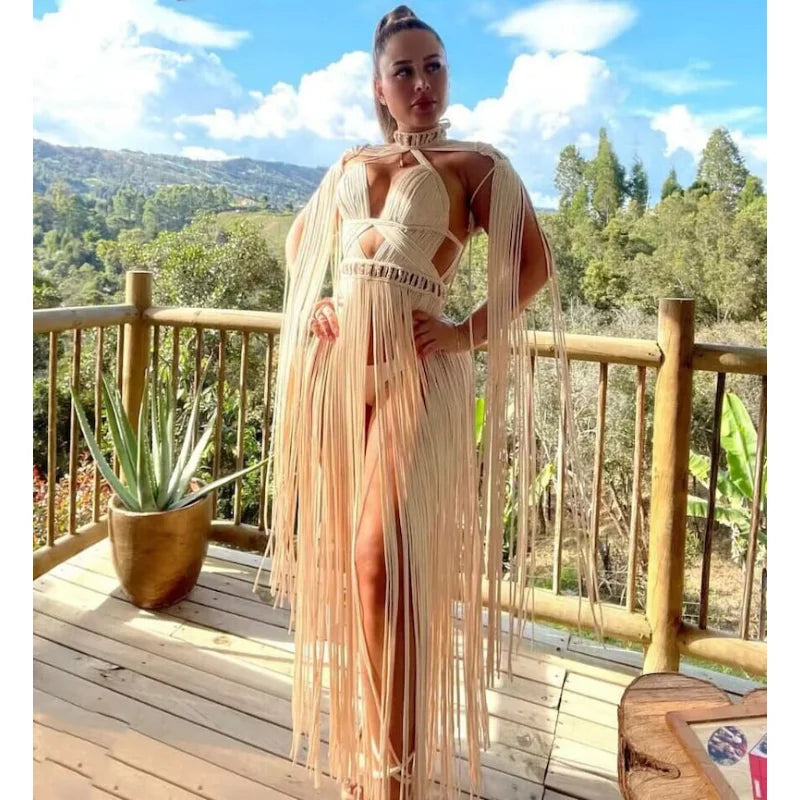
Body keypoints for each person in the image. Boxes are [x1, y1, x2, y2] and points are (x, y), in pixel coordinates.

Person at [254, 6, 597, 799]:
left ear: (448, 74)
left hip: (415, 373)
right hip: (342, 375)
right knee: (354, 572)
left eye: (433, 66)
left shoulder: (475, 165)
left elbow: (533, 265)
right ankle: (370, 745)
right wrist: (320, 303)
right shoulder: (352, 161)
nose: (421, 83)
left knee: (379, 567)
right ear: (378, 86)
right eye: (403, 71)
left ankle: (398, 775)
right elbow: (302, 242)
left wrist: (462, 334)